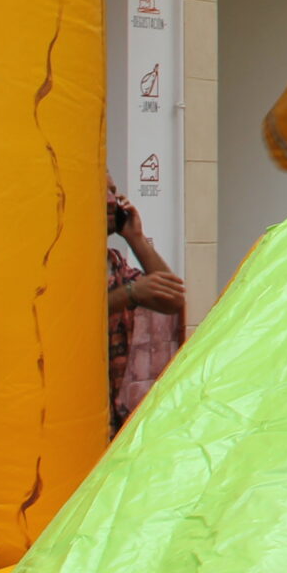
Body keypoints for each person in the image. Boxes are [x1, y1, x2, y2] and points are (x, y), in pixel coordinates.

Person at [106, 178, 185, 432]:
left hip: (116, 408)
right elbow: (71, 316)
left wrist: (136, 238)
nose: (111, 200)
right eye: (102, 192)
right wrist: (129, 294)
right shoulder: (62, 261)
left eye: (113, 192)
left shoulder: (115, 263)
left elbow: (172, 299)